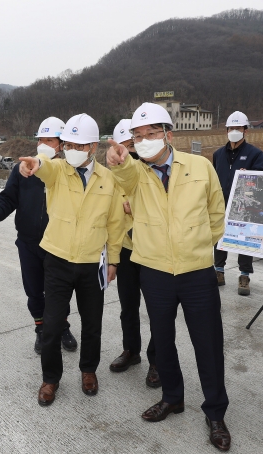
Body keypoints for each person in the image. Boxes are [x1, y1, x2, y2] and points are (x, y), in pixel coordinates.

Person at [107, 103, 231, 452]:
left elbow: (216, 212)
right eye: (138, 136)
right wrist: (118, 159)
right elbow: (123, 173)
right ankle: (172, 397)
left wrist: (198, 246)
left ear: (168, 134)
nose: (144, 141)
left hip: (196, 272)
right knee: (163, 341)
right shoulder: (135, 172)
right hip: (156, 272)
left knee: (208, 343)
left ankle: (216, 412)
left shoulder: (199, 166)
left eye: (151, 134)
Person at [19, 113, 126, 407]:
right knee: (52, 325)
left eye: (78, 144)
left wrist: (113, 261)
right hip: (57, 260)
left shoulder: (109, 179)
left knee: (92, 323)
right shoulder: (58, 171)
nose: (71, 149)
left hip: (94, 262)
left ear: (93, 147)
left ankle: (88, 370)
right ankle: (51, 378)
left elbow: (116, 224)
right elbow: (43, 167)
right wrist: (34, 163)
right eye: (67, 143)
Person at [0, 117, 77, 354]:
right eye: (40, 140)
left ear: (61, 144)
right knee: (34, 290)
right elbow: (9, 197)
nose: (43, 144)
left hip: (58, 243)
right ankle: (41, 329)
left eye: (49, 140)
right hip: (28, 242)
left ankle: (62, 326)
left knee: (59, 291)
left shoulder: (68, 171)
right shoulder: (22, 169)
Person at [107, 119, 160, 388]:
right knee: (128, 306)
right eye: (123, 147)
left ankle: (157, 360)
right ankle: (131, 350)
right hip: (127, 251)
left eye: (132, 145)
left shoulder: (154, 173)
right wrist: (112, 258)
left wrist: (135, 207)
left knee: (156, 310)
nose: (127, 152)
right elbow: (113, 222)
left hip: (152, 251)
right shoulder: (112, 176)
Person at [212, 111, 263, 295]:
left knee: (244, 239)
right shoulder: (218, 154)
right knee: (219, 237)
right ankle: (218, 271)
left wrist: (248, 177)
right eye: (231, 128)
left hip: (245, 205)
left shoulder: (255, 154)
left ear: (245, 130)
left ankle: (244, 275)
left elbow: (261, 181)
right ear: (226, 130)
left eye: (238, 128)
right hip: (221, 202)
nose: (234, 131)